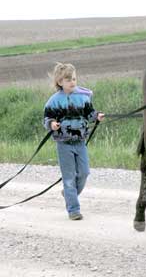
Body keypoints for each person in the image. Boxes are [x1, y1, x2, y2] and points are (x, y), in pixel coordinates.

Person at [43, 62, 104, 220]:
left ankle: (69, 194)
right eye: (68, 79)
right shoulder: (54, 101)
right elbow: (47, 118)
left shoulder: (83, 97)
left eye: (74, 79)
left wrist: (96, 116)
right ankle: (73, 210)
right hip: (63, 144)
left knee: (84, 173)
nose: (72, 82)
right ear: (60, 82)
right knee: (69, 177)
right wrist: (52, 124)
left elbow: (89, 113)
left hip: (80, 142)